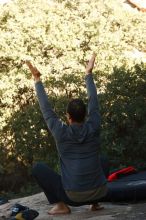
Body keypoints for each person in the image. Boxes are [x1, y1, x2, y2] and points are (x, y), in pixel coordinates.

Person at [25, 53, 108, 215]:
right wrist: (88, 74)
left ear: (68, 117)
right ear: (86, 115)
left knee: (37, 168)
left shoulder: (61, 132)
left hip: (72, 196)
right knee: (103, 159)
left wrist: (37, 80)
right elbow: (94, 102)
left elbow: (46, 109)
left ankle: (61, 205)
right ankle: (95, 203)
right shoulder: (94, 126)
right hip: (100, 191)